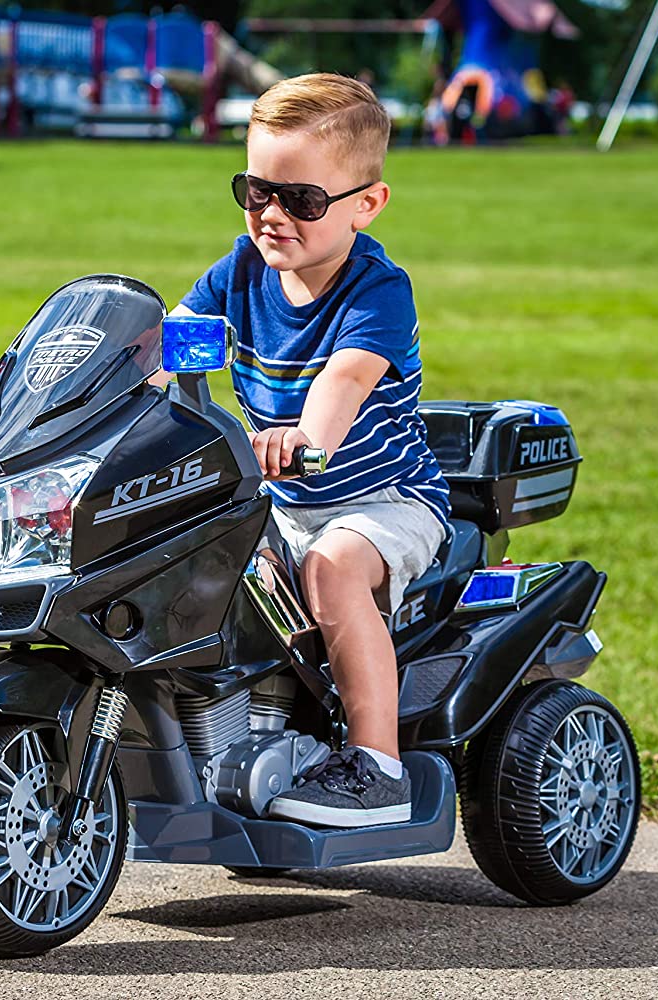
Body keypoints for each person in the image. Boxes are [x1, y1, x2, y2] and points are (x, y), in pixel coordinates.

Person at [167, 73, 450, 827]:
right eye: (257, 190)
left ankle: (376, 765)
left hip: (385, 502)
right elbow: (165, 341)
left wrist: (305, 440)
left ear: (367, 203)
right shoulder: (241, 272)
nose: (273, 214)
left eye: (303, 199)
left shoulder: (376, 291)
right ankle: (222, 745)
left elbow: (343, 380)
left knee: (330, 572)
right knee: (195, 564)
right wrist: (81, 383)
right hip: (282, 499)